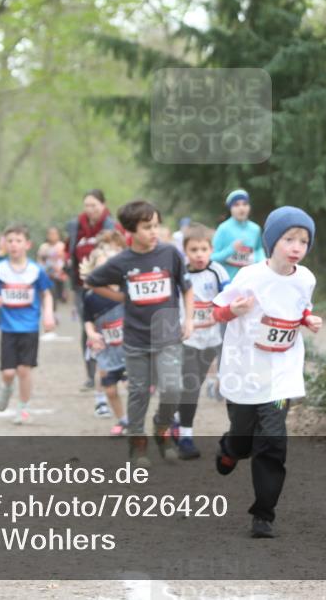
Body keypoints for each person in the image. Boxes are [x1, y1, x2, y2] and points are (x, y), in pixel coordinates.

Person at [212, 206, 321, 538]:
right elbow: (217, 311)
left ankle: (264, 513)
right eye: (289, 238)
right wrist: (234, 309)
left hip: (281, 376)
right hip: (245, 371)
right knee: (245, 436)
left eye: (303, 241)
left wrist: (307, 320)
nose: (296, 246)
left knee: (272, 439)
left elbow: (299, 308)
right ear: (273, 240)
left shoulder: (306, 278)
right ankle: (231, 448)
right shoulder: (249, 276)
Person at [86, 200, 194, 465]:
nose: (154, 231)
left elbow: (187, 287)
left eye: (156, 225)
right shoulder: (123, 261)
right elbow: (91, 281)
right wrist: (122, 298)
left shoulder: (170, 253)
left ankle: (162, 428)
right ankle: (137, 442)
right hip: (135, 339)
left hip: (168, 336)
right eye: (147, 227)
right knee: (139, 392)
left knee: (173, 389)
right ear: (130, 231)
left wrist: (189, 320)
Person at [0, 225, 56, 424]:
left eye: (18, 240)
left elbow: (46, 293)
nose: (14, 244)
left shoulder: (35, 270)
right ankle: (6, 387)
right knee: (8, 373)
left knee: (24, 370)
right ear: (4, 244)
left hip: (29, 327)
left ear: (27, 244)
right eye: (10, 241)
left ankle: (23, 408)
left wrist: (48, 315)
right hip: (8, 328)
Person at [175, 222, 229, 459]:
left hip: (211, 337)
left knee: (195, 384)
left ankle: (175, 420)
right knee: (190, 387)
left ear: (211, 250)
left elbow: (229, 297)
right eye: (194, 250)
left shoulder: (217, 271)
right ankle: (186, 436)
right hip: (187, 338)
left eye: (203, 249)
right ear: (185, 251)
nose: (199, 255)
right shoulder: (180, 273)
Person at [79, 230, 131, 435]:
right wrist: (91, 334)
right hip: (107, 351)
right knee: (110, 389)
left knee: (130, 385)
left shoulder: (125, 290)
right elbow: (87, 321)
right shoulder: (91, 297)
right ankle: (123, 420)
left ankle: (135, 421)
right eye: (100, 266)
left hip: (128, 349)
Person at [67, 190, 116, 390]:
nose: (90, 209)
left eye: (94, 205)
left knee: (111, 325)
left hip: (108, 285)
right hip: (82, 286)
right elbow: (69, 252)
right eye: (87, 205)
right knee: (87, 327)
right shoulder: (75, 226)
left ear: (103, 205)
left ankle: (113, 368)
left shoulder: (111, 226)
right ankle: (90, 374)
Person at [212, 189, 264, 280]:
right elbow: (212, 258)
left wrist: (259, 260)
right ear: (230, 208)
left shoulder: (255, 229)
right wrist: (231, 249)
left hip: (251, 281)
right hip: (228, 282)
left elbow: (259, 249)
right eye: (236, 205)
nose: (241, 208)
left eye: (245, 204)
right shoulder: (223, 229)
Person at [37, 226, 69, 307]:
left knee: (61, 293)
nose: (52, 236)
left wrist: (64, 269)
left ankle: (63, 295)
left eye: (54, 234)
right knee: (51, 293)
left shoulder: (62, 245)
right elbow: (40, 260)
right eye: (50, 234)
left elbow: (67, 259)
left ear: (58, 235)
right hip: (48, 274)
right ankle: (52, 308)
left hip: (60, 273)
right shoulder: (44, 247)